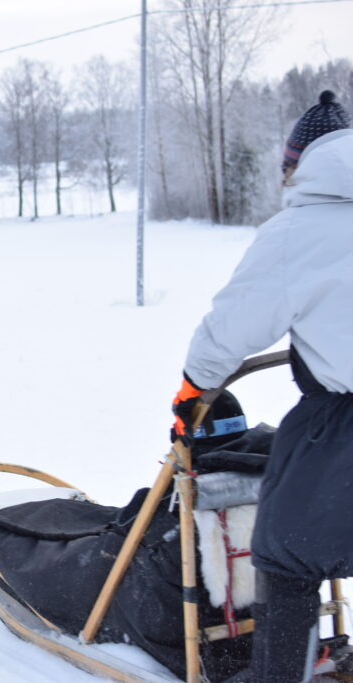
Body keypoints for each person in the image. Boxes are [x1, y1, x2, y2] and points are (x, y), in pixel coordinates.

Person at [172, 90, 353, 682]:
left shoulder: (300, 229)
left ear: (298, 164)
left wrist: (193, 390)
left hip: (339, 422)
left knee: (286, 546)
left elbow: (231, 329)